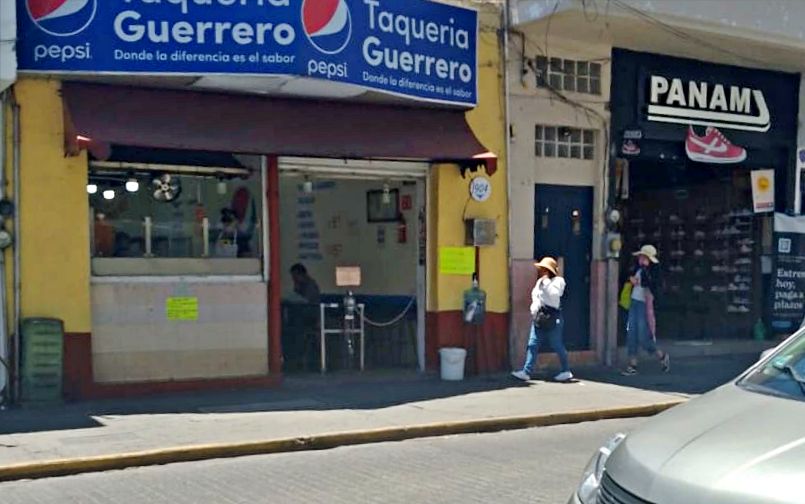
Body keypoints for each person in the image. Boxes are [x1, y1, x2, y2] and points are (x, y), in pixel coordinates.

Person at [511, 257, 574, 383]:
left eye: (543, 269)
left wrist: (546, 283)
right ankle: (526, 371)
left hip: (553, 316)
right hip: (540, 316)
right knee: (532, 344)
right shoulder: (540, 281)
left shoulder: (558, 281)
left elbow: (554, 295)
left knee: (557, 344)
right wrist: (534, 307)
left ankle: (566, 370)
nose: (541, 272)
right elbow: (535, 295)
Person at [623, 245, 670, 375]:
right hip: (634, 302)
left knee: (643, 336)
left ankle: (661, 355)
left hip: (644, 304)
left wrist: (641, 277)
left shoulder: (653, 270)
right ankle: (632, 364)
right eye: (640, 256)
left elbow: (653, 284)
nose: (640, 259)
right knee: (631, 333)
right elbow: (628, 276)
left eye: (643, 257)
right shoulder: (638, 268)